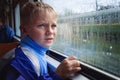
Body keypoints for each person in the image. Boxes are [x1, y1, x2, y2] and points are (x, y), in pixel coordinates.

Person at [0, 2, 81, 80]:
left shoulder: (36, 52)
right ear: (24, 30)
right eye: (41, 25)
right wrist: (56, 75)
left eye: (53, 26)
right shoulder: (21, 62)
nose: (50, 31)